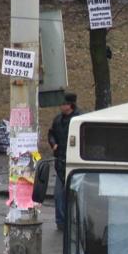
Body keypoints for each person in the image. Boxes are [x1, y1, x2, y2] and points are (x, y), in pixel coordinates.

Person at [47, 92, 85, 230]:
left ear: (70, 105)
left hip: (74, 162)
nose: (60, 106)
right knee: (59, 195)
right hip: (61, 162)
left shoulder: (79, 119)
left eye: (63, 103)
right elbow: (51, 133)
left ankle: (75, 220)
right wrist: (53, 143)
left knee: (75, 194)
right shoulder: (58, 120)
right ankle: (61, 221)